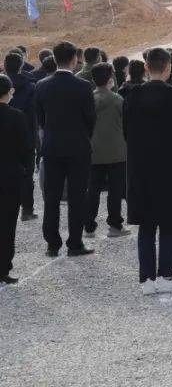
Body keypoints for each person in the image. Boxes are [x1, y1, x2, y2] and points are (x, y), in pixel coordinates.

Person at [124, 47, 172, 295]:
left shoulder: (130, 97)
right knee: (169, 223)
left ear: (146, 67)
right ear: (168, 67)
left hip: (140, 168)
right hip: (170, 168)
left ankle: (146, 280)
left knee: (145, 225)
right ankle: (165, 276)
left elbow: (127, 135)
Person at [35, 41, 96, 258]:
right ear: (74, 59)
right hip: (78, 147)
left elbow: (40, 119)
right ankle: (75, 243)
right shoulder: (83, 86)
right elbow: (91, 119)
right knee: (77, 197)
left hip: (51, 147)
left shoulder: (41, 85)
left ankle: (52, 243)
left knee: (51, 197)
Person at [86, 63, 129, 238]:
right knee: (115, 190)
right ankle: (115, 224)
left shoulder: (89, 99)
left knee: (93, 189)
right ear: (110, 79)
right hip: (117, 150)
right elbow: (126, 124)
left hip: (93, 150)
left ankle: (88, 226)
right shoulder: (118, 99)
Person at [0, 74, 33, 284]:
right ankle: (3, 267)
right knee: (7, 223)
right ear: (9, 91)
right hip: (10, 175)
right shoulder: (16, 116)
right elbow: (26, 148)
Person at [4, 52, 38, 222]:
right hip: (25, 134)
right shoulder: (30, 86)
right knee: (27, 173)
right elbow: (34, 114)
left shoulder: (2, 83)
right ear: (21, 66)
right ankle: (27, 209)